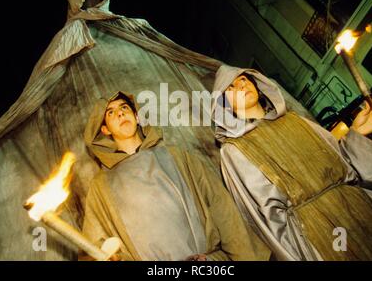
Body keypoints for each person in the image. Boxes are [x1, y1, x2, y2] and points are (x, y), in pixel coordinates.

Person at [211, 64, 372, 260]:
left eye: (243, 79)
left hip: (362, 209)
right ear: (224, 105)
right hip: (319, 231)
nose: (240, 86)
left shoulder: (295, 120)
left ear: (257, 84)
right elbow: (267, 218)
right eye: (230, 88)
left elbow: (339, 161)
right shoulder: (234, 150)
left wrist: (358, 131)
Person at [81, 91, 270, 261]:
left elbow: (221, 206)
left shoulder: (177, 156)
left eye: (124, 107)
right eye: (111, 112)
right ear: (105, 130)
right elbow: (95, 245)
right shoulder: (102, 186)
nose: (120, 113)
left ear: (137, 117)